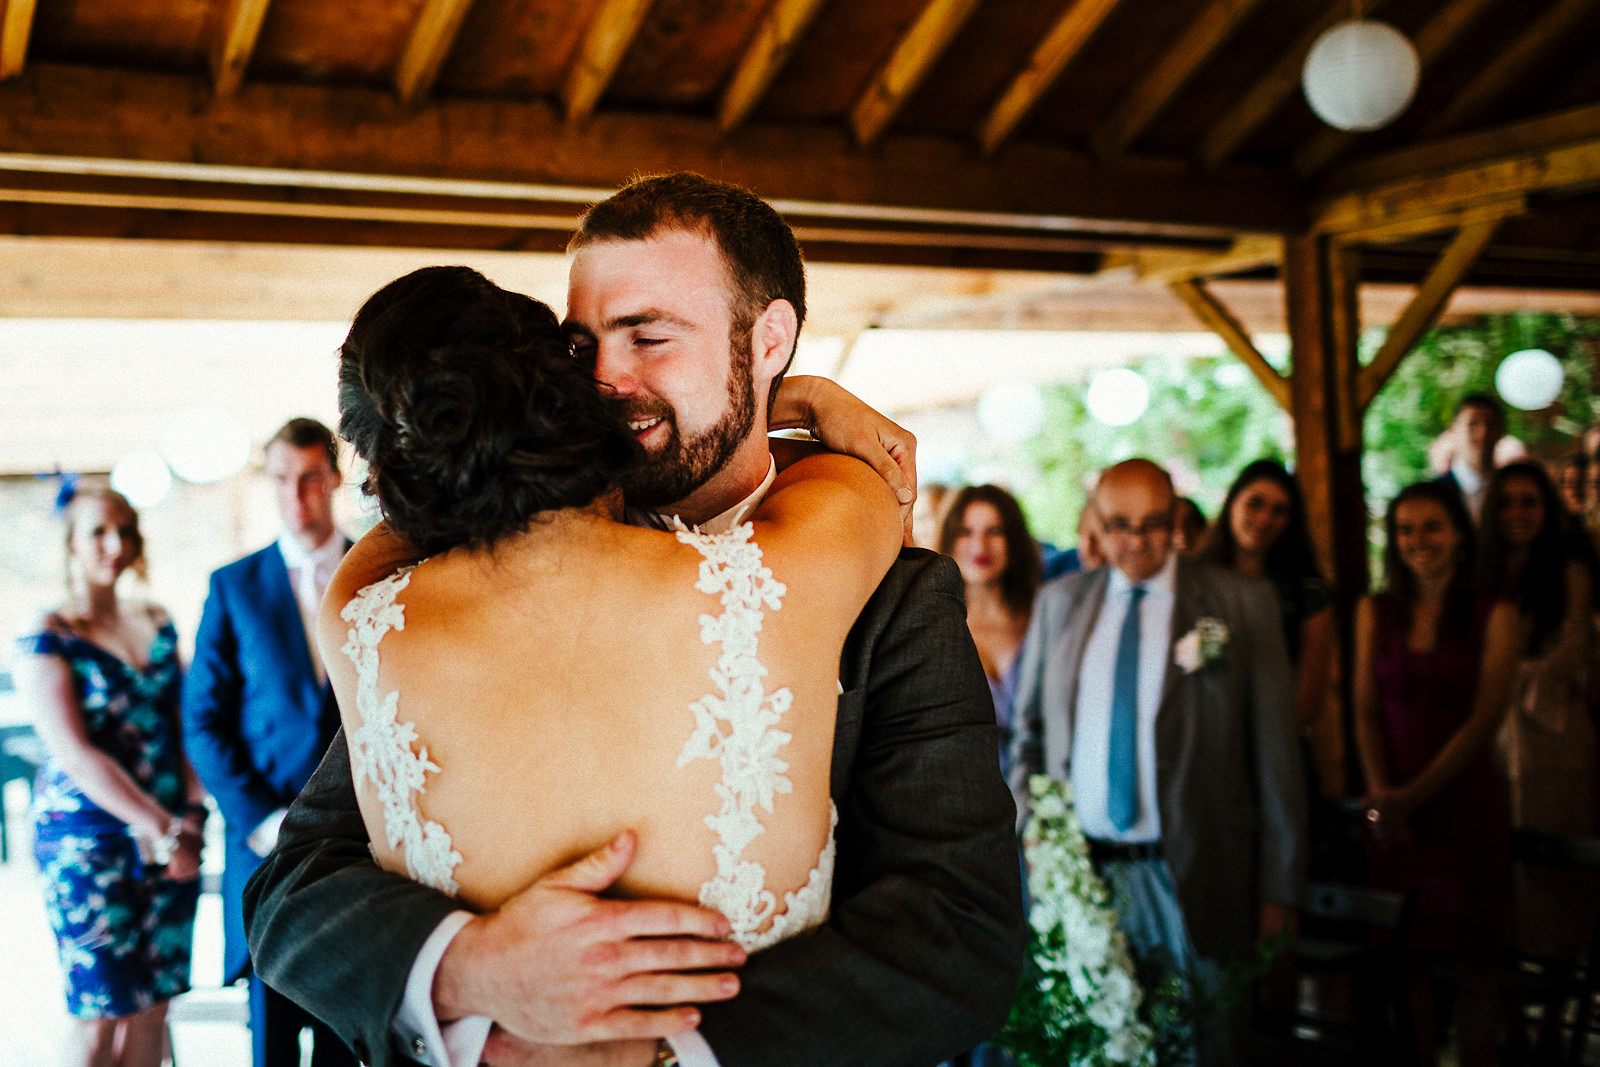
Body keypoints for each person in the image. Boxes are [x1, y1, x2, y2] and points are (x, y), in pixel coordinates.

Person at [244, 172, 1026, 1067]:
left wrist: (654, 1051)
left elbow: (958, 933)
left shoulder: (898, 594)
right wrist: (470, 975)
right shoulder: (440, 588)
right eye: (581, 348)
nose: (609, 381)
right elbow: (295, 890)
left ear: (769, 340)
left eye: (649, 337)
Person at [1011, 458, 1307, 1066]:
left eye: (1151, 524)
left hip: (1197, 871)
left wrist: (1281, 885)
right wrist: (1034, 827)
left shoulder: (1238, 603)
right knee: (1099, 1043)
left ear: (1177, 519)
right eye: (1120, 524)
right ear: (1096, 522)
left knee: (1204, 1044)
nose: (1137, 541)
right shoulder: (1061, 602)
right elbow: (1032, 733)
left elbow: (1276, 752)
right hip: (1086, 874)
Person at [182, 418, 358, 1067]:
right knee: (272, 1044)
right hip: (265, 852)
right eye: (282, 479)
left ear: (335, 477)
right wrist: (260, 818)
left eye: (311, 477)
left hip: (360, 852)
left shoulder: (380, 566)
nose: (297, 495)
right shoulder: (234, 585)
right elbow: (202, 719)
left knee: (347, 1039)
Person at [14, 486, 206, 1067]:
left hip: (173, 838)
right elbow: (72, 752)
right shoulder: (49, 632)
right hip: (88, 841)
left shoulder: (157, 620)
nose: (114, 544)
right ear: (71, 544)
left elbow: (187, 730)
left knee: (154, 1007)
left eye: (124, 529)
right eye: (97, 531)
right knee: (99, 1014)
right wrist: (162, 825)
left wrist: (192, 818)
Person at [1353, 481, 1518, 1067]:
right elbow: (1365, 710)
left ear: (1458, 536)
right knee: (1409, 964)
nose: (1417, 541)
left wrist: (1410, 798)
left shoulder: (1495, 613)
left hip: (1463, 807)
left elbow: (1484, 722)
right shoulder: (1374, 611)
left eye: (1431, 527)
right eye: (1405, 529)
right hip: (1391, 810)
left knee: (1476, 970)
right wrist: (1381, 798)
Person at [1479, 464, 1597, 968]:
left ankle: (1554, 1016)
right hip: (1486, 738)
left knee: (1557, 877)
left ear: (1547, 511)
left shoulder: (1571, 574)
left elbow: (1568, 654)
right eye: (1506, 502)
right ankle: (1505, 1014)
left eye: (1530, 502)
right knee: (1492, 867)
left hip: (1554, 737)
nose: (1517, 513)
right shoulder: (1477, 574)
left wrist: (1493, 677)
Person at [1202, 460, 1334, 732]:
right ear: (1232, 503)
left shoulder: (1307, 590)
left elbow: (1308, 702)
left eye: (1279, 511)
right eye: (1255, 503)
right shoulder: (1198, 582)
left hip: (1278, 737)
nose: (1264, 519)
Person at [938, 484, 1043, 780]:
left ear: (1014, 540)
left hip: (1039, 800)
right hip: (957, 794)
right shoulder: (932, 623)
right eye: (965, 532)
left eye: (994, 531)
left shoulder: (1044, 616)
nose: (979, 546)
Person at [1433, 393, 1505, 522]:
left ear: (1500, 432)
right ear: (1454, 430)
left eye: (1490, 424)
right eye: (1472, 424)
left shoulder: (1508, 488)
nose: (1483, 433)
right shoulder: (1435, 493)